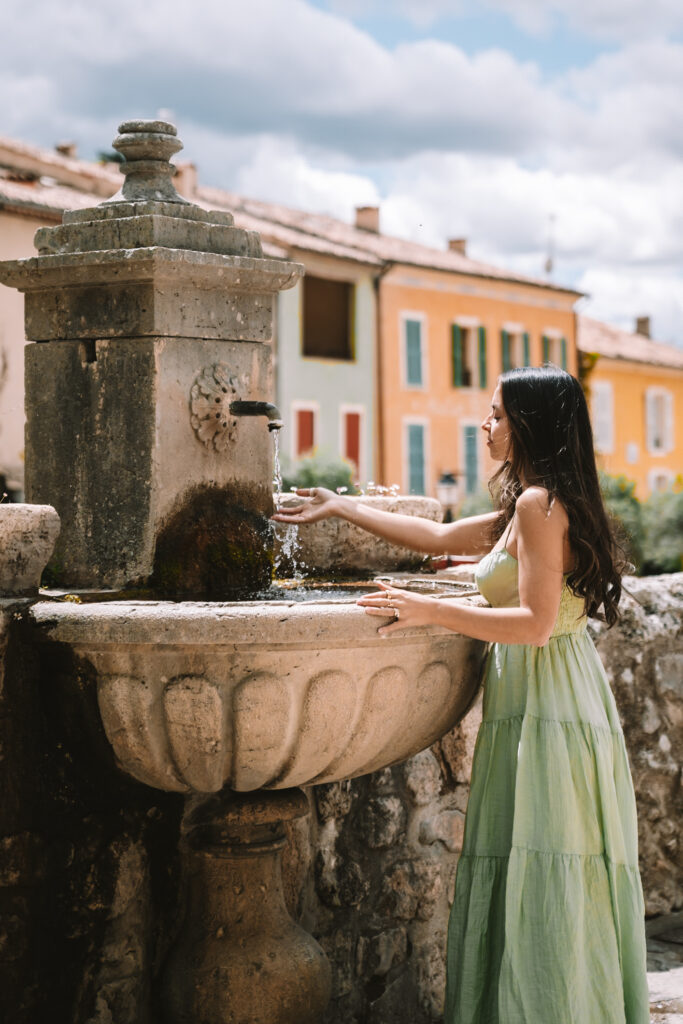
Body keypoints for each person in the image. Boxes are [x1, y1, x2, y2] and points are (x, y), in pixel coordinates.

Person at [272, 366, 649, 1024]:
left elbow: (532, 625)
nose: (485, 425)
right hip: (553, 697)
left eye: (497, 414)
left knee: (543, 862)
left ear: (528, 425)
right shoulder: (534, 501)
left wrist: (427, 611)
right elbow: (438, 537)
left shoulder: (537, 507)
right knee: (542, 861)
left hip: (546, 707)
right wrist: (340, 506)